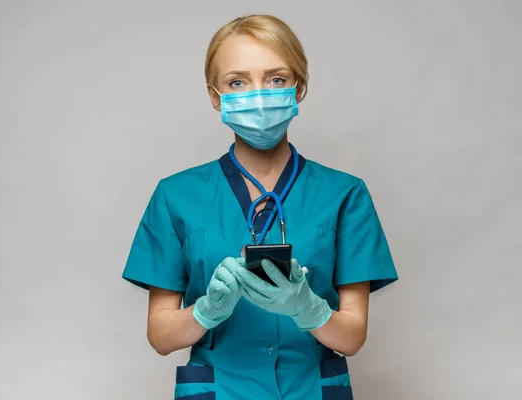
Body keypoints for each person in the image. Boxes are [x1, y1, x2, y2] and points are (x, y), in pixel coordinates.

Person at [122, 14, 398, 400]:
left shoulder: (345, 194)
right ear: (215, 95)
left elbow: (352, 338)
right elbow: (161, 337)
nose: (258, 94)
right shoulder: (176, 196)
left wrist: (309, 309)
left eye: (276, 79)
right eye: (237, 82)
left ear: (298, 88)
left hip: (311, 389)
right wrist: (207, 310)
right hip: (220, 390)